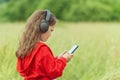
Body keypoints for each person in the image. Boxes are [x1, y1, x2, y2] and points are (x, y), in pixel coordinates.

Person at [15, 10, 73, 80]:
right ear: (43, 27)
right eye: (51, 30)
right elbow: (54, 72)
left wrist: (57, 59)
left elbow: (40, 66)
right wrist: (64, 60)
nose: (50, 35)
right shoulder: (42, 49)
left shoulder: (27, 47)